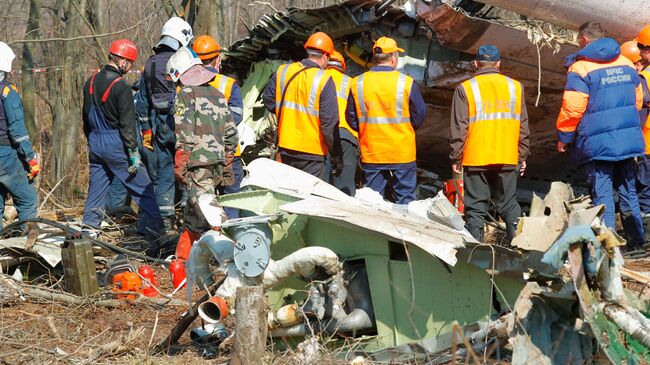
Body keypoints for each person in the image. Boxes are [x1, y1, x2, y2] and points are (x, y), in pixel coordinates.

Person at [556, 22, 645, 250]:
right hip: (627, 141)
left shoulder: (580, 68)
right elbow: (637, 102)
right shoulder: (626, 63)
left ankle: (609, 247)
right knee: (628, 192)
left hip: (598, 144)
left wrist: (564, 138)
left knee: (602, 195)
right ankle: (636, 242)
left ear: (584, 39)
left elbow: (573, 108)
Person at [81, 39, 162, 255]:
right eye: (130, 63)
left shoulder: (89, 82)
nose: (130, 68)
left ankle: (87, 236)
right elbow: (127, 125)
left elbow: (85, 119)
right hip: (116, 143)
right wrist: (133, 153)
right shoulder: (122, 87)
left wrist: (93, 141)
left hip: (95, 142)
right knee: (144, 190)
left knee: (96, 193)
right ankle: (157, 236)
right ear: (123, 61)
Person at [449, 45, 529, 242]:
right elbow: (523, 125)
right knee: (509, 204)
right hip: (507, 155)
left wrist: (456, 156)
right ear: (499, 63)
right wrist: (522, 154)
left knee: (475, 207)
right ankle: (522, 249)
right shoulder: (515, 87)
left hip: (476, 156)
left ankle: (475, 252)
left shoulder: (465, 88)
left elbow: (460, 127)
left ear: (476, 63)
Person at [167, 47, 238, 260]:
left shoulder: (185, 95)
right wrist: (226, 161)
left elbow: (184, 134)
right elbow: (231, 134)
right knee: (195, 208)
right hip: (216, 162)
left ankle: (228, 257)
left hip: (196, 163)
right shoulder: (218, 95)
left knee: (210, 210)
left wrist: (180, 163)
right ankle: (184, 257)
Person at [346, 37, 426, 204]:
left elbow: (351, 118)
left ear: (376, 57)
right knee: (405, 202)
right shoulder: (406, 83)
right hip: (402, 151)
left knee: (373, 202)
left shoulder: (357, 83)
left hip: (372, 151)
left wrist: (366, 130)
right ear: (394, 57)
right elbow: (419, 115)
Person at [133, 17, 194, 234]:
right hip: (183, 124)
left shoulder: (149, 64)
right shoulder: (184, 60)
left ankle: (166, 224)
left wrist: (147, 131)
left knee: (164, 173)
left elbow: (141, 103)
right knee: (189, 168)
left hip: (159, 127)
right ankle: (188, 221)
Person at [262, 32, 343, 180]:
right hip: (312, 153)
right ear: (325, 56)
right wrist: (337, 155)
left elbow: (268, 99)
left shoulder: (283, 71)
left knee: (287, 194)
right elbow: (329, 124)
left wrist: (287, 117)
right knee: (309, 198)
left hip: (286, 147)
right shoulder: (324, 80)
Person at [193, 35, 244, 218]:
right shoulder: (228, 84)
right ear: (218, 59)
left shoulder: (183, 84)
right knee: (231, 199)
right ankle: (229, 240)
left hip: (198, 154)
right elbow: (237, 116)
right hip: (228, 153)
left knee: (201, 202)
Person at [0, 42, 40, 228]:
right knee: (27, 199)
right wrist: (30, 157)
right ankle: (29, 247)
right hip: (5, 154)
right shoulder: (7, 91)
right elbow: (17, 130)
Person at [326, 50, 358, 196]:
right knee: (345, 186)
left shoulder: (316, 78)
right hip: (346, 136)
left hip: (320, 136)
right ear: (342, 67)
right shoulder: (351, 82)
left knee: (318, 183)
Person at [631, 28, 650, 245]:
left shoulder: (645, 76)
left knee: (645, 188)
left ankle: (645, 239)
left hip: (647, 142)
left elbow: (640, 110)